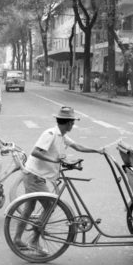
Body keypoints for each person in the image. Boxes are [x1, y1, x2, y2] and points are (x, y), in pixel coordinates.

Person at [13, 106, 105, 254]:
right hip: (34, 176)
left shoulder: (61, 135)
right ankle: (34, 241)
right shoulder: (50, 134)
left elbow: (77, 146)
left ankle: (17, 239)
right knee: (49, 206)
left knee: (29, 209)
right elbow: (35, 152)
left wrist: (97, 150)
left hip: (37, 176)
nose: (73, 125)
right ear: (69, 123)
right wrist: (55, 160)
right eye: (72, 122)